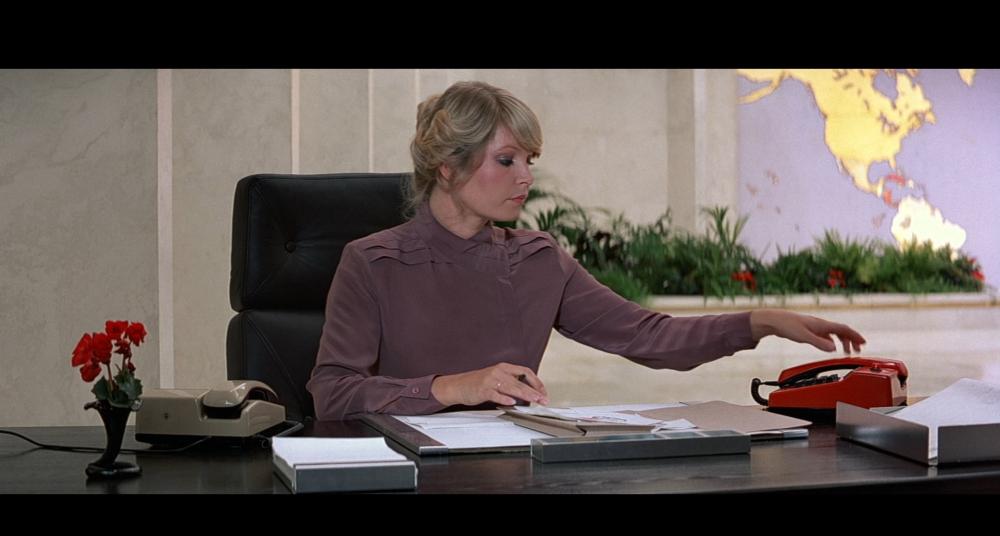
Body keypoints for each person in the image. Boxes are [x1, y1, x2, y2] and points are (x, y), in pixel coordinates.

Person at [307, 81, 866, 421]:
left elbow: (650, 336)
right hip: (405, 473)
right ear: (447, 168)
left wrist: (759, 322)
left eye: (530, 161)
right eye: (507, 160)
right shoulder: (371, 262)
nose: (526, 177)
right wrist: (452, 387)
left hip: (514, 468)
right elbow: (331, 394)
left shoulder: (538, 259)